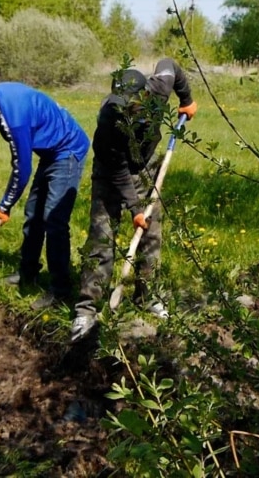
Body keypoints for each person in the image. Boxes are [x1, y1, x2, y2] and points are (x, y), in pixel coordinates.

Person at [70, 58, 198, 342]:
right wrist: (135, 209)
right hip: (111, 173)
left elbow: (170, 65)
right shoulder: (109, 120)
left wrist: (187, 100)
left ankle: (146, 297)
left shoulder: (159, 89)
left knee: (151, 235)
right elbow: (117, 170)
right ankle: (87, 309)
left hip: (146, 166)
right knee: (101, 237)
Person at [0, 77, 90, 310]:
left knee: (54, 221)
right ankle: (28, 272)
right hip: (51, 152)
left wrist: (4, 205)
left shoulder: (13, 118)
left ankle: (61, 291)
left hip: (67, 149)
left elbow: (22, 168)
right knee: (33, 214)